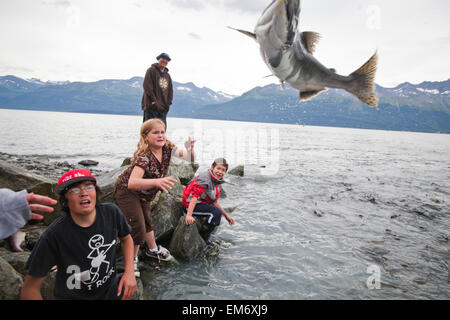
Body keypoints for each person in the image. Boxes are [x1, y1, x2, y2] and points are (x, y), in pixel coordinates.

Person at [21, 169, 136, 300]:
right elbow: (30, 288)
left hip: (110, 292)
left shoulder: (111, 212)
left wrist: (129, 272)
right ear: (65, 200)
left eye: (89, 187)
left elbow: (127, 239)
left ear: (96, 191)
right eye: (74, 190)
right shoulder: (54, 235)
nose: (83, 193)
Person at [114, 118, 195, 277]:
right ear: (146, 137)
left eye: (162, 132)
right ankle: (131, 260)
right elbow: (132, 183)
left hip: (144, 194)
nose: (160, 135)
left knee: (148, 222)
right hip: (127, 191)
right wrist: (157, 181)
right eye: (155, 132)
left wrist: (189, 149)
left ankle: (152, 250)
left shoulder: (167, 147)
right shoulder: (144, 157)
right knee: (138, 226)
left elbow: (189, 158)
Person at [182, 158, 235, 237]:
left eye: (223, 170)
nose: (220, 172)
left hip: (201, 202)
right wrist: (189, 215)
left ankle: (206, 231)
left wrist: (226, 216)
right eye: (218, 168)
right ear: (212, 167)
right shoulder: (205, 179)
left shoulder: (217, 182)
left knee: (217, 213)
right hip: (188, 204)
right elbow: (194, 197)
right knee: (216, 213)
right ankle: (203, 236)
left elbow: (214, 202)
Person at [142, 52, 173, 128]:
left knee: (161, 131)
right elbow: (147, 86)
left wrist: (168, 105)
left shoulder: (167, 75)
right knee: (149, 130)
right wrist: (154, 101)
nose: (164, 61)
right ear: (158, 59)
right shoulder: (151, 70)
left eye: (167, 60)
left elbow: (170, 91)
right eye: (162, 58)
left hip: (163, 109)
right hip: (151, 107)